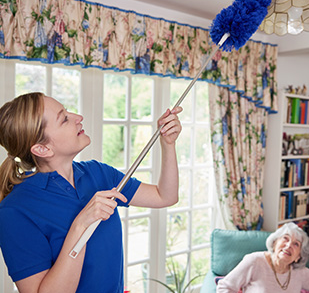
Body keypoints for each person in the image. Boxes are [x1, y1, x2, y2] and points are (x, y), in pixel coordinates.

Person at [0, 92, 182, 293]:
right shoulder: (15, 210)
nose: (78, 117)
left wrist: (168, 144)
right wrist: (80, 224)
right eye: (64, 119)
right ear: (43, 149)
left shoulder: (98, 173)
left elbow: (165, 196)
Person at [217, 222, 309, 292]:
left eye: (296, 244)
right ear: (274, 243)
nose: (289, 245)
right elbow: (225, 287)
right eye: (285, 238)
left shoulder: (300, 272)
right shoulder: (255, 261)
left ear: (299, 256)